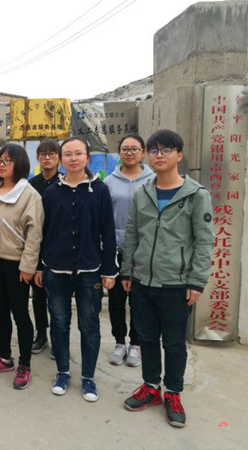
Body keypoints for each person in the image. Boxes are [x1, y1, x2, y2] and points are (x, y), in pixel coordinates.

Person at [121, 130, 214, 428]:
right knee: (146, 337)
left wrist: (197, 281)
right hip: (142, 282)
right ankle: (151, 387)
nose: (158, 155)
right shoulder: (143, 193)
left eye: (166, 149)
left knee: (174, 343)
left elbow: (204, 241)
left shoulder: (196, 195)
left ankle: (173, 393)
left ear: (179, 155)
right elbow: (132, 234)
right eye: (154, 150)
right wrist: (127, 271)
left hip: (176, 284)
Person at [36, 136, 117, 402]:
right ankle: (62, 372)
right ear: (62, 159)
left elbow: (108, 231)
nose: (73, 158)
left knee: (89, 325)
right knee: (59, 323)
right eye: (68, 154)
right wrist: (39, 267)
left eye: (78, 153)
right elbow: (43, 232)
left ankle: (88, 377)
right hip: (55, 269)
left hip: (89, 270)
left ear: (87, 158)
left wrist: (109, 270)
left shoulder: (100, 190)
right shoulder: (52, 192)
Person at [0, 143, 43, 390]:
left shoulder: (29, 195)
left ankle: (24, 364)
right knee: (0, 312)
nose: (2, 164)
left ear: (20, 164)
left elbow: (34, 235)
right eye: (0, 160)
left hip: (17, 265)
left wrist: (28, 266)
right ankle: (5, 357)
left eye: (7, 160)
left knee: (20, 315)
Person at [103, 133, 154, 367]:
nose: (130, 153)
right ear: (119, 152)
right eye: (125, 149)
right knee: (116, 301)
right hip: (115, 250)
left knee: (139, 301)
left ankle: (136, 344)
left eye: (134, 149)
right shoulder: (109, 182)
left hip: (144, 250)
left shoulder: (153, 180)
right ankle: (119, 342)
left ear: (142, 153)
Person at [28, 139, 62, 355]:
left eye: (51, 154)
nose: (47, 158)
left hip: (59, 248)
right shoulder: (31, 184)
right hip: (37, 246)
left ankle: (59, 338)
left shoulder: (65, 182)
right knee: (38, 296)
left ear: (59, 158)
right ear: (38, 158)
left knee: (58, 300)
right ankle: (41, 334)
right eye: (43, 154)